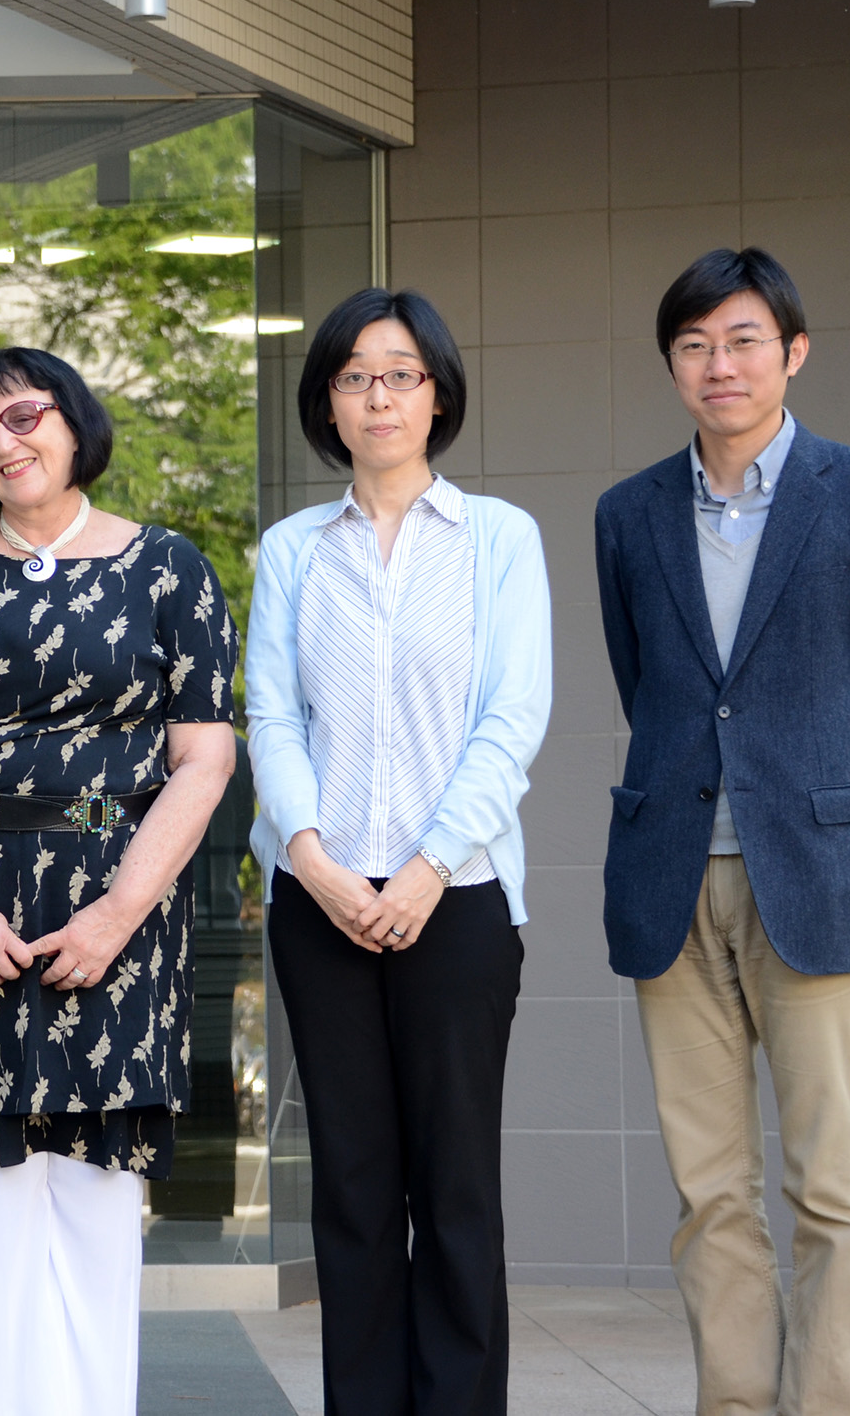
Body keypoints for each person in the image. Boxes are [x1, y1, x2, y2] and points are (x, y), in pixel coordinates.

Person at [596, 247, 850, 1416]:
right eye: (693, 344)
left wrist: (832, 808)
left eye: (742, 339)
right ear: (671, 363)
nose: (718, 365)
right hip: (672, 880)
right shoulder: (628, 511)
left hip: (819, 879)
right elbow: (647, 680)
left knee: (832, 1187)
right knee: (709, 1188)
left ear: (792, 351)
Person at [0, 346, 239, 1416]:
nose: (4, 442)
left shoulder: (168, 567)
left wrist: (118, 912)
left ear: (74, 422)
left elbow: (203, 760)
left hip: (114, 900)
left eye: (23, 416)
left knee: (93, 1199)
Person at [245, 288, 551, 1416]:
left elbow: (510, 717)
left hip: (458, 899)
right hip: (318, 903)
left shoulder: (498, 540)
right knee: (355, 1191)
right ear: (326, 400)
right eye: (354, 375)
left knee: (456, 1187)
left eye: (402, 372)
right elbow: (272, 718)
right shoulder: (291, 549)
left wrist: (423, 867)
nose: (379, 394)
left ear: (437, 392)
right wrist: (316, 861)